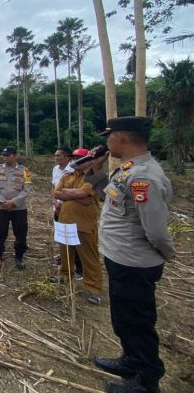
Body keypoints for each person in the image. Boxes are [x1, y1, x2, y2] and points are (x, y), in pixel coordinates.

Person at [86, 117, 175, 393]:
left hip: (134, 262)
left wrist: (167, 253)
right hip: (121, 258)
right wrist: (95, 169)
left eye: (109, 136)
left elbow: (157, 230)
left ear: (121, 137)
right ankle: (132, 360)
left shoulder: (143, 176)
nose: (107, 141)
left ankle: (147, 381)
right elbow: (110, 198)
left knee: (137, 321)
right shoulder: (129, 169)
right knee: (125, 318)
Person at [51, 148, 103, 305]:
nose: (75, 161)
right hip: (65, 221)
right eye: (73, 158)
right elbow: (56, 193)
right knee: (66, 252)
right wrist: (77, 195)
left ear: (88, 162)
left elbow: (83, 192)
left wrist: (70, 193)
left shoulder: (93, 177)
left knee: (89, 257)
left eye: (79, 158)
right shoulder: (67, 175)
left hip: (84, 224)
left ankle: (94, 289)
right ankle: (65, 275)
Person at [0, 146, 31, 270]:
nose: (5, 157)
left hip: (19, 208)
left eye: (8, 155)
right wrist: (2, 201)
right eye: (4, 155)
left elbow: (27, 189)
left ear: (15, 156)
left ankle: (19, 256)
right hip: (2, 208)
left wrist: (13, 202)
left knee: (21, 233)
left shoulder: (25, 171)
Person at [52, 147, 83, 278]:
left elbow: (78, 193)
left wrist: (62, 196)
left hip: (71, 209)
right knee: (62, 237)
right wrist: (55, 202)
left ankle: (79, 268)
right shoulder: (55, 169)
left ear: (66, 157)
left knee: (74, 238)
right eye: (55, 155)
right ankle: (65, 264)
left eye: (58, 155)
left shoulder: (74, 170)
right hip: (58, 208)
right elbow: (54, 188)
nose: (56, 158)